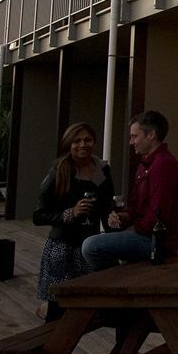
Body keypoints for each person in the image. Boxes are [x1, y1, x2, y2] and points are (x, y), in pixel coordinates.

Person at [30, 121, 114, 323]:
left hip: (90, 247)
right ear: (68, 143)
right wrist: (70, 213)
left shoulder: (102, 171)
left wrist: (113, 219)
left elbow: (107, 206)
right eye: (77, 141)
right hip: (63, 248)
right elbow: (38, 215)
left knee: (90, 308)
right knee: (59, 309)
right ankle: (51, 349)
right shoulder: (59, 171)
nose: (82, 145)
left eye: (87, 140)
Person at [82, 110, 178, 271]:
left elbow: (158, 216)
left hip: (157, 241)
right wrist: (123, 217)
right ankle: (116, 283)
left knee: (91, 246)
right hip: (146, 234)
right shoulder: (145, 165)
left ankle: (113, 285)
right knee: (95, 242)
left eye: (135, 136)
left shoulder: (162, 165)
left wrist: (133, 227)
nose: (131, 142)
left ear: (151, 134)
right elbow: (137, 206)